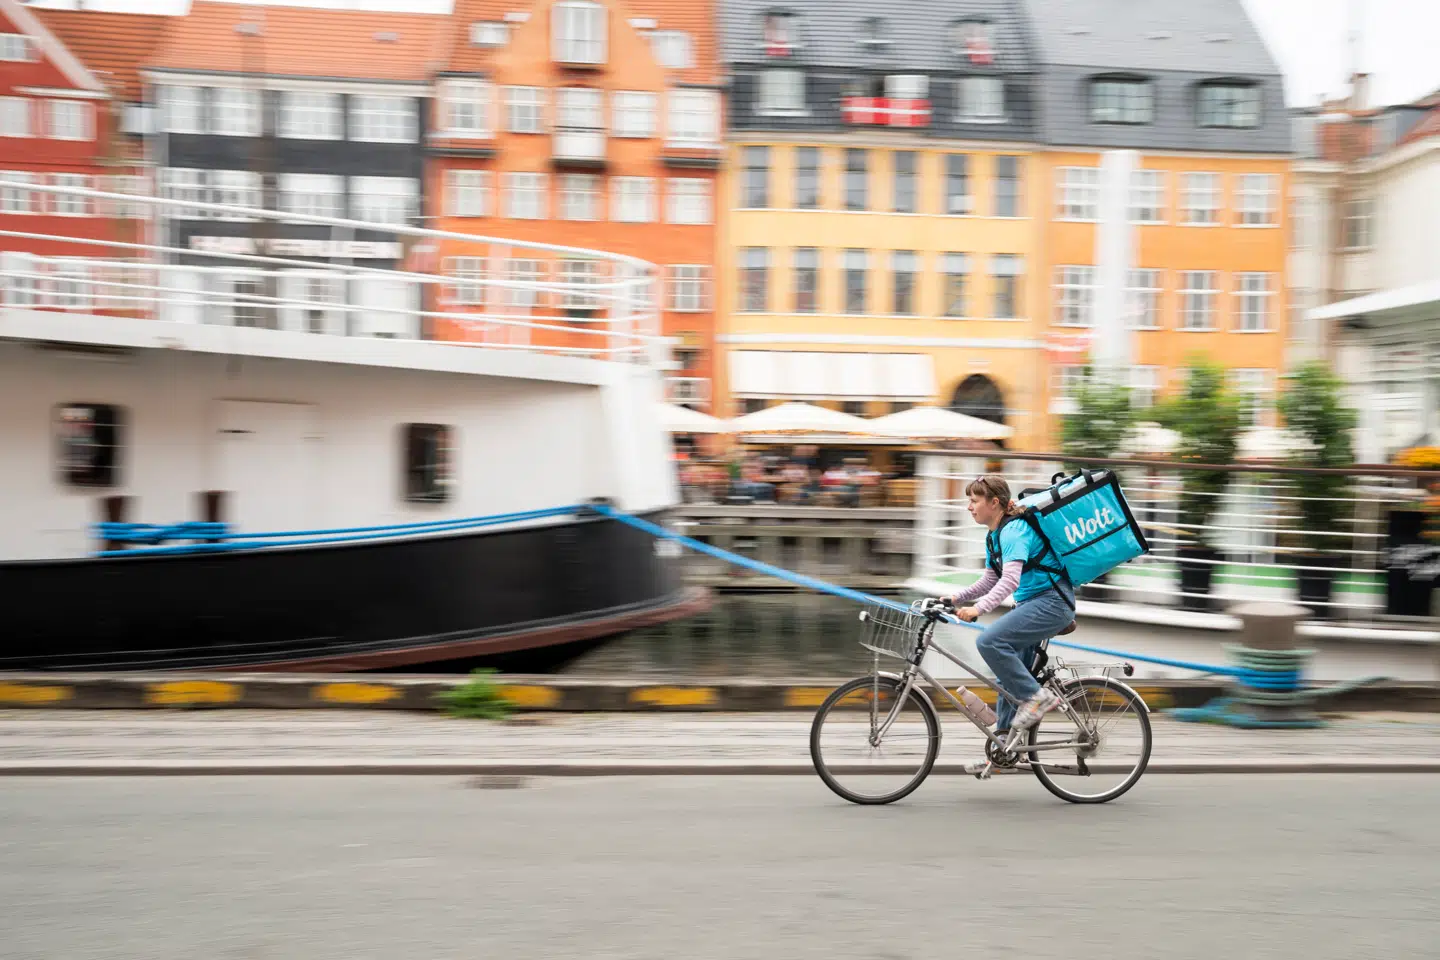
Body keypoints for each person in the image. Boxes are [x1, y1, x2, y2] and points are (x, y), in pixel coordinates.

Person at [947, 475, 1075, 768]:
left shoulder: (1014, 531)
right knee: (1006, 674)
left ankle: (1037, 697)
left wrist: (978, 609)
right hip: (1033, 604)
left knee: (989, 641)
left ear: (995, 503)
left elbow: (1010, 579)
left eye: (974, 500)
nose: (969, 506)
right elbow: (990, 579)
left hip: (1052, 603)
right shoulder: (994, 535)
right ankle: (1003, 749)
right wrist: (954, 599)